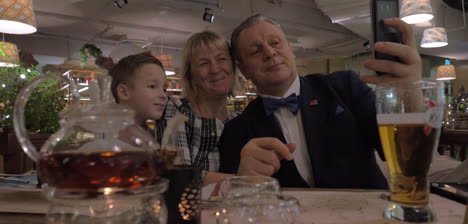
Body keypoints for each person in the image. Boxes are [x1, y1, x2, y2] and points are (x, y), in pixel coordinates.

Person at [219, 14, 422, 189]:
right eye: (255, 51)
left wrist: (410, 94)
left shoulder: (345, 87)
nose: (270, 53)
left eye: (275, 43)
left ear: (290, 49)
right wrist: (242, 180)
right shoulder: (236, 130)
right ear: (244, 70)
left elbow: (405, 154)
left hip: (370, 218)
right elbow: (235, 199)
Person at [156, 30, 238, 185]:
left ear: (233, 66)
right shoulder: (177, 109)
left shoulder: (239, 119)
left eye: (221, 59)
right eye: (204, 63)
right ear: (191, 75)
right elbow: (178, 173)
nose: (215, 69)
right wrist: (245, 181)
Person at [109, 51, 168, 134]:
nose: (163, 95)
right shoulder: (104, 140)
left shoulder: (154, 137)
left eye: (164, 89)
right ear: (124, 92)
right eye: (152, 86)